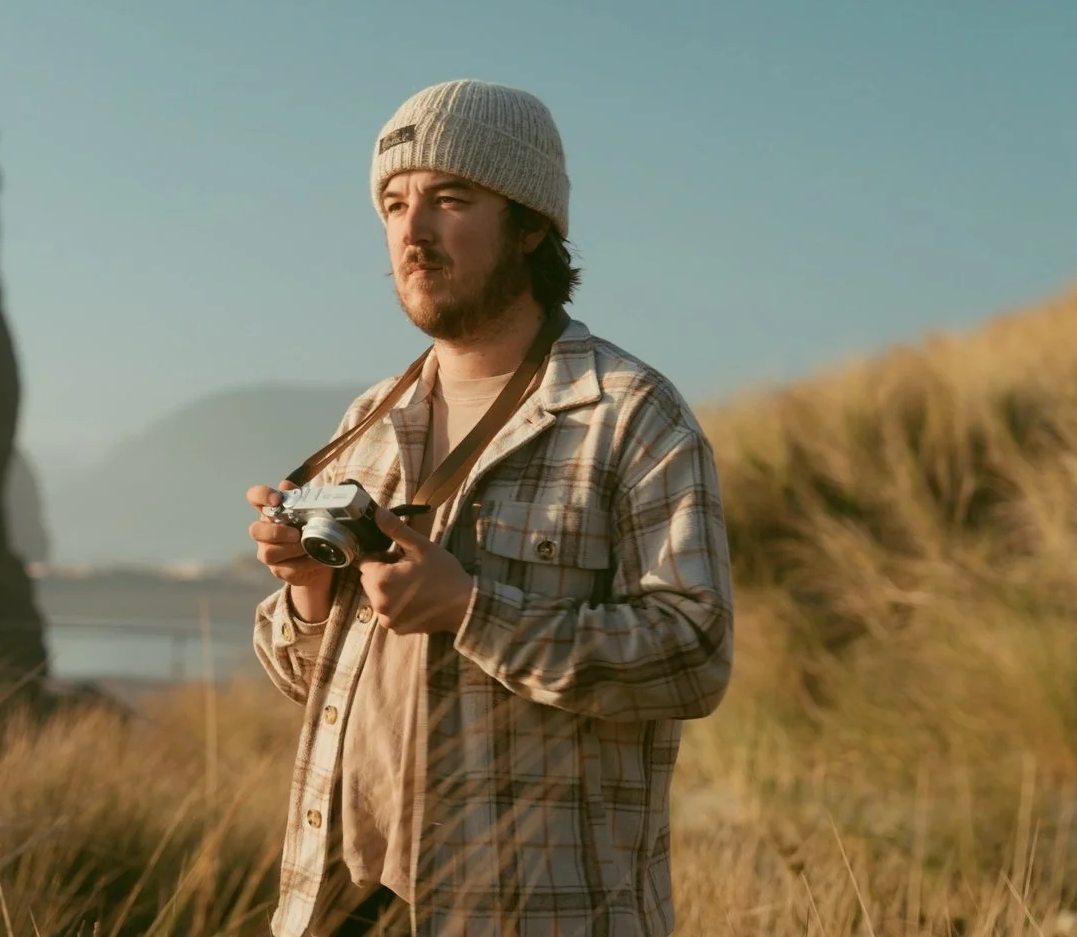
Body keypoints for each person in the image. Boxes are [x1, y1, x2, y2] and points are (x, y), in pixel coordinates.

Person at [248, 80, 735, 937]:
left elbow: (693, 653)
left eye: (451, 199)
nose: (412, 230)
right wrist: (305, 593)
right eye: (394, 204)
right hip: (343, 906)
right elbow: (308, 681)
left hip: (535, 915)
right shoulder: (367, 423)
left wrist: (473, 610)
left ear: (533, 223)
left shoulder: (629, 415)